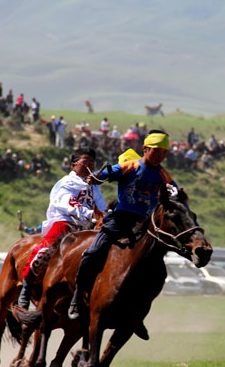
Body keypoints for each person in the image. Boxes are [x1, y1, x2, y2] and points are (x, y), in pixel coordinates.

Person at [68, 130, 176, 320]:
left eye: (164, 152)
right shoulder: (131, 166)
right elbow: (109, 173)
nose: (160, 155)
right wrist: (95, 177)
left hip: (144, 226)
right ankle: (77, 297)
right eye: (157, 150)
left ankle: (138, 314)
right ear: (145, 149)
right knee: (92, 253)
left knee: (157, 270)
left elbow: (177, 198)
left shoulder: (163, 176)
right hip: (120, 219)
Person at [13, 148, 107, 313]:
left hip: (86, 226)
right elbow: (67, 203)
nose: (90, 166)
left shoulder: (95, 187)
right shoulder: (65, 183)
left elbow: (101, 207)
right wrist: (90, 214)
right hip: (65, 222)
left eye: (93, 162)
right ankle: (26, 287)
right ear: (73, 165)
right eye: (85, 162)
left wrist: (105, 216)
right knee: (46, 251)